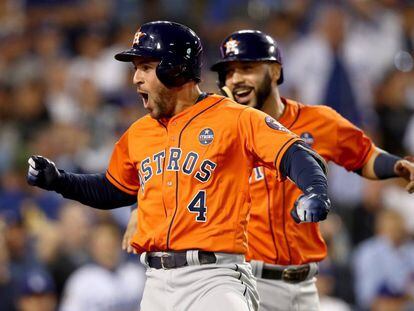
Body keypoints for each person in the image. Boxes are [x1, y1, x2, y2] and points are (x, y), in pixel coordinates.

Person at [26, 21, 331, 311]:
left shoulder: (235, 118)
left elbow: (295, 153)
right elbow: (113, 189)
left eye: (146, 67)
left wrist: (315, 190)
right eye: (136, 69)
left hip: (215, 277)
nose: (135, 78)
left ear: (175, 69)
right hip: (156, 283)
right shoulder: (140, 132)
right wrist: (59, 180)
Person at [209, 30, 413, 311]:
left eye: (247, 68)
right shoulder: (218, 135)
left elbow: (364, 155)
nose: (235, 79)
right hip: (247, 283)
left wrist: (397, 166)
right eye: (228, 72)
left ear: (276, 71)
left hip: (305, 285)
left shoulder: (318, 122)